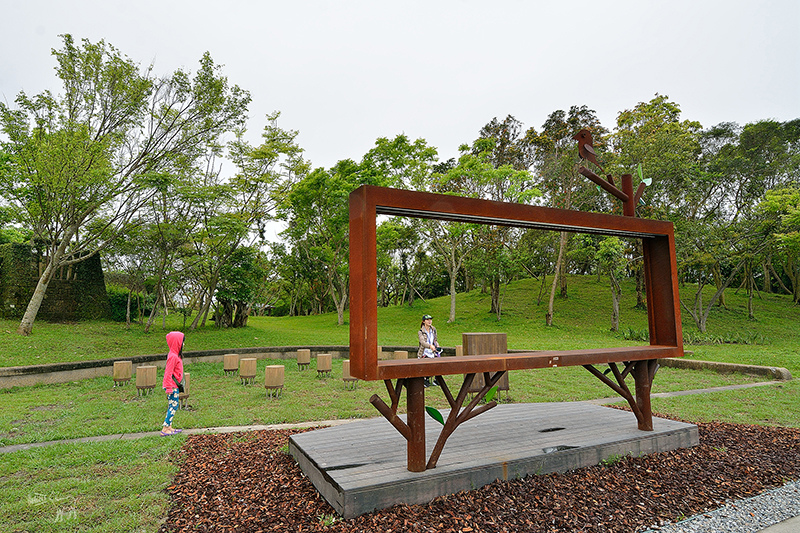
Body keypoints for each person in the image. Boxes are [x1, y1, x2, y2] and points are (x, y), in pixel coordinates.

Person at [160, 331, 185, 436]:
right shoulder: (173, 357)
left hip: (174, 386)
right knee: (173, 406)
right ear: (177, 343)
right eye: (182, 342)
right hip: (172, 387)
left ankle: (169, 427)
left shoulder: (174, 355)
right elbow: (168, 373)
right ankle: (165, 429)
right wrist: (168, 388)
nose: (184, 344)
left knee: (173, 406)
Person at [417, 314, 440, 386]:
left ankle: (436, 380)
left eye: (430, 319)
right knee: (426, 366)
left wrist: (437, 345)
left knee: (438, 363)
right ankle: (425, 380)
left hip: (433, 350)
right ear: (424, 321)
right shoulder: (421, 331)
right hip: (425, 351)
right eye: (428, 320)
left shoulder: (433, 329)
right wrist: (430, 346)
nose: (429, 321)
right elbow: (422, 342)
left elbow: (435, 340)